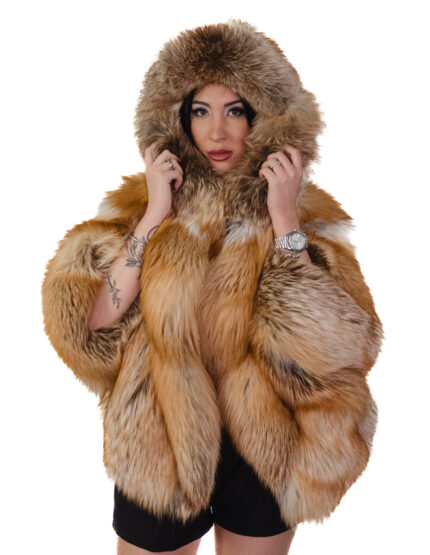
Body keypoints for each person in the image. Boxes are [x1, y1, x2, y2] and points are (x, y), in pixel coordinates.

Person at [41, 19, 383, 555]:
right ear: (177, 118)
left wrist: (284, 220)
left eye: (235, 110)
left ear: (265, 118)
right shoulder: (140, 207)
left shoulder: (306, 218)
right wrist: (155, 214)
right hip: (161, 437)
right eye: (200, 111)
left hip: (268, 444)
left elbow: (342, 348)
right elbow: (90, 325)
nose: (217, 132)